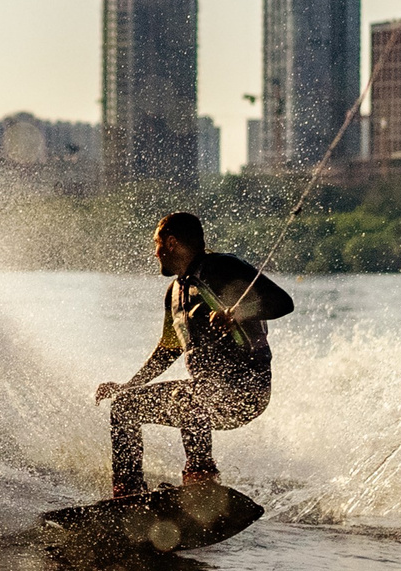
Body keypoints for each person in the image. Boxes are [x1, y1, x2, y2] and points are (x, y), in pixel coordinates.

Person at [94, 211, 293, 498]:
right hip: (205, 395)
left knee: (192, 396)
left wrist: (237, 313)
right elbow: (168, 349)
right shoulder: (174, 292)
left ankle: (202, 480)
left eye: (157, 244)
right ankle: (128, 495)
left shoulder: (221, 267)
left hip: (247, 390)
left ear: (171, 243)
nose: (155, 253)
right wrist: (129, 386)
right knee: (125, 406)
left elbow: (283, 302)